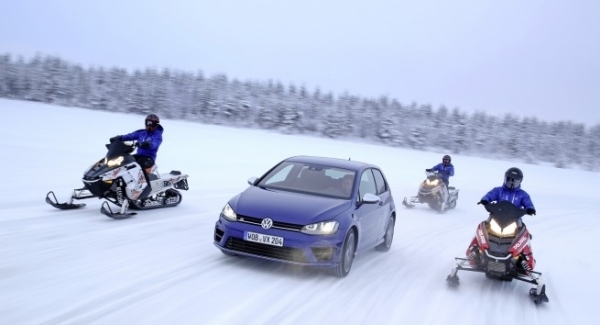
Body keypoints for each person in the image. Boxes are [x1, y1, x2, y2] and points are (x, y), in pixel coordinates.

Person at [469, 167, 537, 274]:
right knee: (483, 228)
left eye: (514, 180)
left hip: (514, 221)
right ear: (505, 178)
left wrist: (530, 208)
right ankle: (475, 250)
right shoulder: (498, 190)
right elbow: (490, 195)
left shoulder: (522, 194)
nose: (511, 182)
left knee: (524, 234)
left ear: (519, 181)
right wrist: (485, 200)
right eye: (509, 179)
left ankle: (525, 260)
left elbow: (528, 202)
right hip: (496, 218)